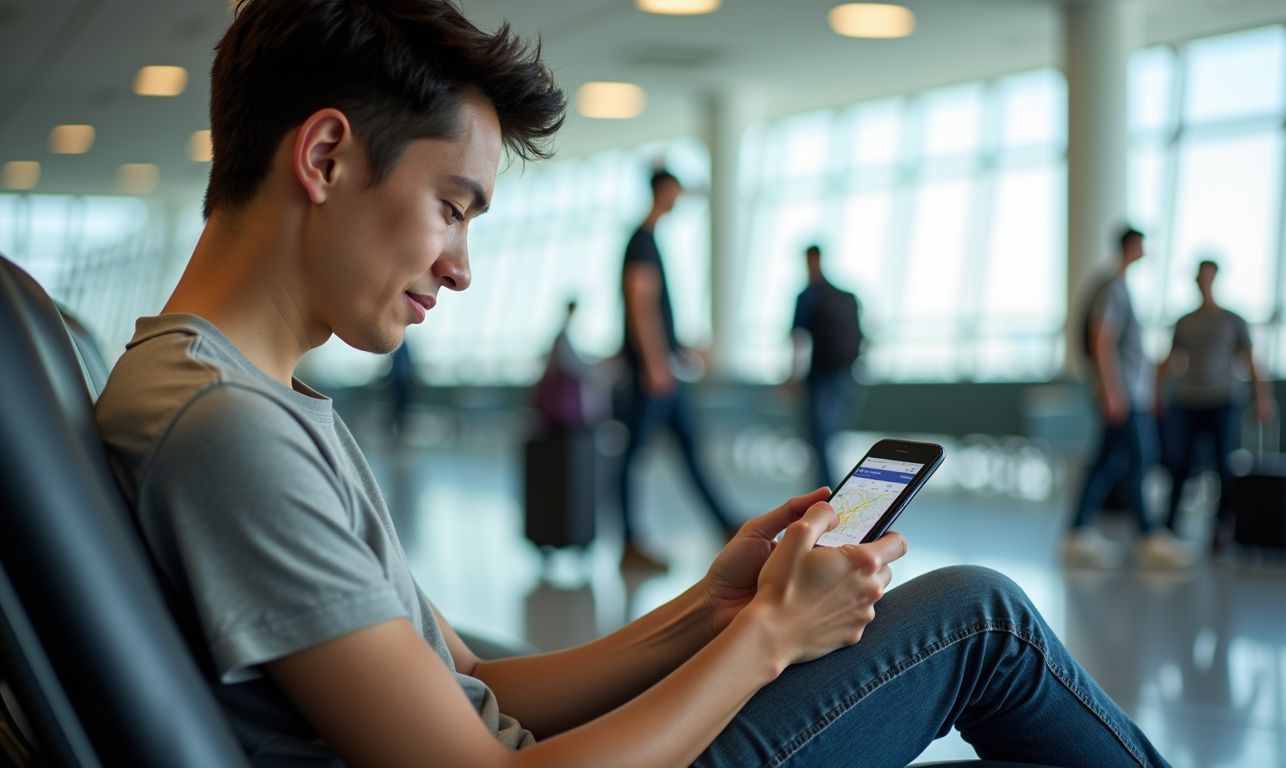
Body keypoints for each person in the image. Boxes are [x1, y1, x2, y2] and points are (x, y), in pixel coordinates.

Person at [94, 2, 1171, 765]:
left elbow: (474, 685)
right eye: (453, 207)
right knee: (978, 621)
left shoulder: (239, 399)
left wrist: (714, 608)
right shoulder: (228, 430)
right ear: (325, 158)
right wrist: (769, 640)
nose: (463, 266)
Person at [618, 169, 737, 571]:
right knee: (632, 457)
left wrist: (680, 348)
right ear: (662, 191)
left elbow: (654, 312)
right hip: (653, 374)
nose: (679, 199)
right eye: (676, 192)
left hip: (664, 368)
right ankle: (630, 542)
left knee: (689, 451)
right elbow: (640, 303)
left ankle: (726, 525)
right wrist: (654, 364)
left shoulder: (650, 241)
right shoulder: (642, 241)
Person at [1064, 227, 1192, 570]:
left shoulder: (1119, 287)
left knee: (1109, 461)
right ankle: (1149, 536)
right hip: (1122, 396)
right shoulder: (1113, 288)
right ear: (1131, 246)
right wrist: (1112, 393)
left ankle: (1077, 532)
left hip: (1129, 394)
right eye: (1141, 246)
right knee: (1140, 458)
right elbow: (1100, 339)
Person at [1156, 259, 1275, 552]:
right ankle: (1170, 526)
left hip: (1224, 399)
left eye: (1209, 278)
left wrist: (1263, 397)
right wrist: (1156, 392)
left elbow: (1250, 360)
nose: (1204, 283)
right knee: (1180, 463)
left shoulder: (1233, 320)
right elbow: (1170, 360)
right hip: (1187, 400)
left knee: (1223, 465)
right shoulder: (1185, 322)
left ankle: (1221, 528)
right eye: (1200, 279)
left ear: (1215, 280)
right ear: (1196, 282)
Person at [789, 244, 863, 490]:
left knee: (818, 440)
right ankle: (830, 491)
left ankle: (825, 494)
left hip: (820, 377)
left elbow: (799, 340)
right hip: (847, 376)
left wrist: (793, 376)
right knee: (830, 438)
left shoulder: (808, 296)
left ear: (809, 260)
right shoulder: (845, 295)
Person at [532, 300, 606, 434]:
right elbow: (570, 364)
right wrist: (592, 370)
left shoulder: (563, 335)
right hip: (562, 395)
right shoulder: (563, 336)